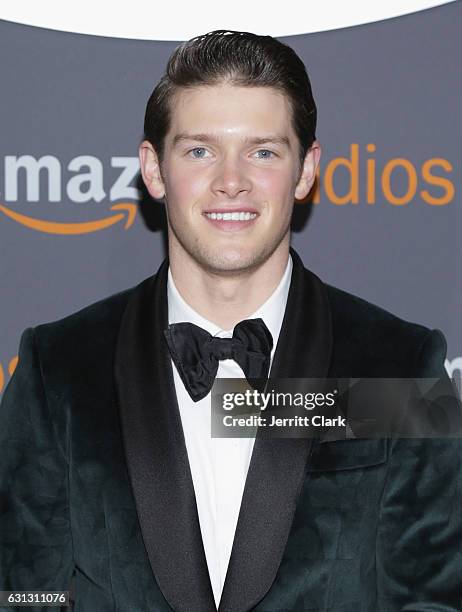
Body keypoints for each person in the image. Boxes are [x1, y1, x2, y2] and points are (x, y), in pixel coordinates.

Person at [0, 30, 461, 612]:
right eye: (199, 150)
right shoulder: (57, 370)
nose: (231, 180)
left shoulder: (402, 366)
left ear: (305, 170)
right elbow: (21, 595)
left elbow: (435, 598)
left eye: (262, 151)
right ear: (153, 168)